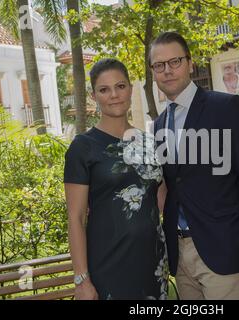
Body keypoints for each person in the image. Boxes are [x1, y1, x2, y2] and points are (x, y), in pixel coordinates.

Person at [151, 32, 239, 300]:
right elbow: (170, 186)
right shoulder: (159, 124)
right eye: (159, 65)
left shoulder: (227, 108)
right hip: (180, 254)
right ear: (152, 72)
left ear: (190, 63)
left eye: (174, 61)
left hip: (222, 249)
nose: (167, 71)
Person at [64, 58, 168, 300]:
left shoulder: (150, 143)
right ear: (94, 96)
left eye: (120, 86)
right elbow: (76, 218)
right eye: (104, 89)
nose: (114, 95)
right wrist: (81, 280)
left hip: (153, 262)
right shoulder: (83, 147)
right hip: (108, 264)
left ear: (131, 89)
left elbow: (162, 200)